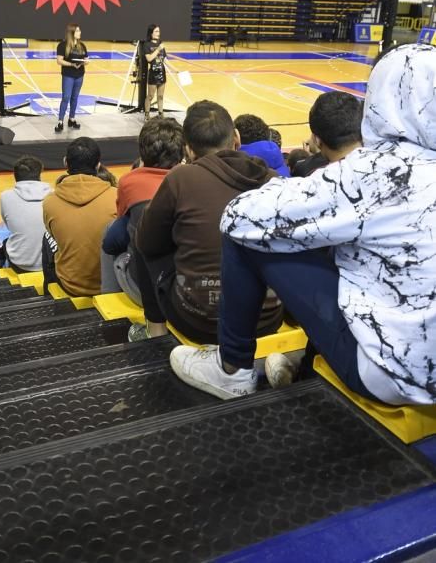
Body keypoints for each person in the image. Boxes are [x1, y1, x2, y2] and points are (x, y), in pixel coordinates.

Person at [170, 44, 436, 405]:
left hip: (403, 375)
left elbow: (239, 215)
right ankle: (306, 361)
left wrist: (291, 191)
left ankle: (231, 369)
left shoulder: (376, 171)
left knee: (249, 238)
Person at [131, 100, 283, 343]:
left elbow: (148, 244)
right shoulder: (273, 180)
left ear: (188, 150)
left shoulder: (181, 177)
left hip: (199, 322)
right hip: (268, 319)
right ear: (236, 138)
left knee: (139, 228)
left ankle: (155, 332)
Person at [101, 117, 184, 300]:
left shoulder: (129, 181)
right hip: (183, 285)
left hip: (144, 289)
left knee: (111, 230)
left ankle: (108, 295)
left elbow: (121, 223)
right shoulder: (191, 179)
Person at [43, 137, 116, 297]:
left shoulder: (49, 202)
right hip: (110, 284)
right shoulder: (117, 197)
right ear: (98, 165)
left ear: (65, 163)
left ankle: (45, 292)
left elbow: (55, 236)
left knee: (46, 239)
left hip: (69, 284)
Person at [0, 155, 51, 276]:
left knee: (1, 230)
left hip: (20, 263)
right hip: (50, 261)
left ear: (15, 176)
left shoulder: (6, 196)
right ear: (40, 175)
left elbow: (8, 225)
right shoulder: (53, 195)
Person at [55, 23, 89, 134]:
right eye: (78, 31)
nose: (80, 33)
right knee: (66, 97)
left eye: (79, 31)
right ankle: (60, 121)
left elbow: (86, 59)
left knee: (75, 98)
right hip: (68, 75)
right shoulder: (62, 45)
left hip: (79, 75)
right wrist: (71, 64)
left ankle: (72, 119)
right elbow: (59, 60)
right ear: (72, 33)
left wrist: (86, 62)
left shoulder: (82, 46)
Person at [144, 24, 166, 120]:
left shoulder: (160, 43)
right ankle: (147, 114)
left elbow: (163, 59)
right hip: (153, 73)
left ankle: (161, 114)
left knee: (160, 96)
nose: (158, 33)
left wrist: (175, 70)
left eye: (159, 31)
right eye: (156, 31)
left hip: (162, 72)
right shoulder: (147, 44)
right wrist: (158, 49)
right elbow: (149, 58)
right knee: (150, 96)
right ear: (151, 33)